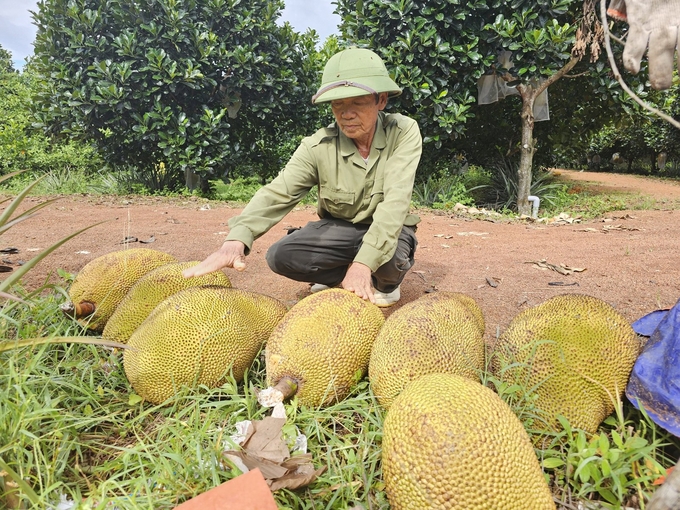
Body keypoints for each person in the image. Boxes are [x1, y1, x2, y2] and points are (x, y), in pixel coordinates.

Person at [183, 47, 422, 307]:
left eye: (358, 101)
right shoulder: (317, 145)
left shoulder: (403, 131)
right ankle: (343, 276)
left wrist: (365, 262)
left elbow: (395, 202)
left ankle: (383, 283)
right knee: (281, 255)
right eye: (337, 103)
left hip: (390, 229)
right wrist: (236, 240)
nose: (346, 113)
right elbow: (278, 192)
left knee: (387, 258)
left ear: (381, 100)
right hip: (341, 231)